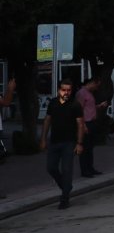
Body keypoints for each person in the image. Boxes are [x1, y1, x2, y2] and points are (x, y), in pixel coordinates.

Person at [40, 79, 85, 209]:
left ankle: (64, 198)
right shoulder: (53, 103)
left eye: (69, 90)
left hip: (69, 143)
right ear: (59, 90)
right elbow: (47, 121)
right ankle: (66, 186)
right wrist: (43, 139)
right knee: (51, 167)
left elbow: (80, 124)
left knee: (67, 170)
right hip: (54, 141)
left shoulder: (75, 105)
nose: (66, 92)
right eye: (64, 90)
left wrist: (79, 143)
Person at [76, 77, 108, 177]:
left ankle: (90, 168)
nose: (96, 88)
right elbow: (79, 109)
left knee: (90, 147)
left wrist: (99, 106)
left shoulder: (89, 93)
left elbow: (89, 107)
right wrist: (83, 125)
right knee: (85, 147)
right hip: (86, 123)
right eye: (96, 86)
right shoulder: (82, 93)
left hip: (92, 122)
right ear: (92, 83)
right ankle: (85, 170)